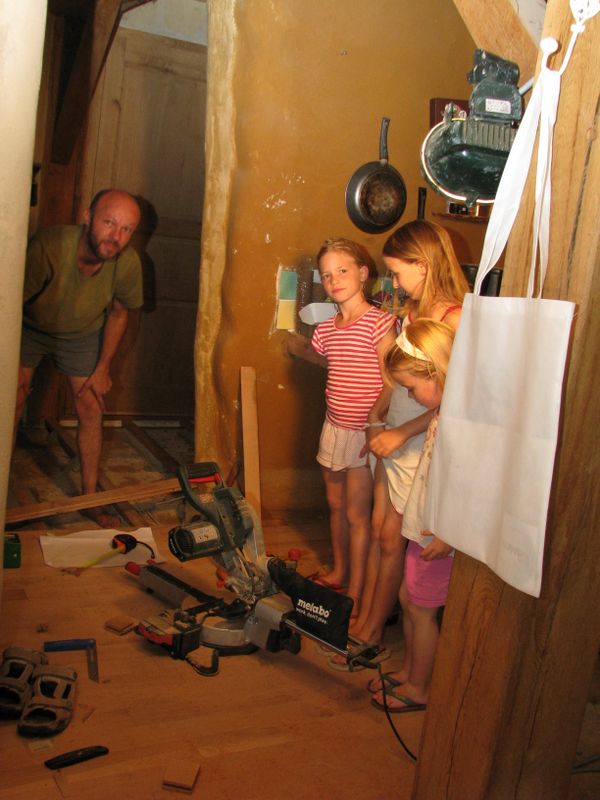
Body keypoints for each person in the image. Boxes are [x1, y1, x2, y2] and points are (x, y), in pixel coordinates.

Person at [349, 220, 468, 650]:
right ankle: (362, 615)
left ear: (424, 264)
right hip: (395, 428)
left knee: (392, 536)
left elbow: (455, 400)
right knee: (379, 528)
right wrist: (377, 414)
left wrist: (402, 433)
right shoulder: (413, 311)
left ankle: (372, 629)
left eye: (398, 273)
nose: (395, 283)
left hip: (419, 438)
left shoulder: (455, 318)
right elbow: (398, 377)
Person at [14, 189, 143, 527]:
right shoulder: (49, 246)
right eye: (109, 223)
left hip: (81, 332)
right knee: (13, 397)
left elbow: (119, 314)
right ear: (87, 217)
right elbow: (10, 301)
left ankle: (89, 499)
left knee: (91, 405)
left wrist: (102, 368)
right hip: (27, 325)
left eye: (126, 229)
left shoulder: (127, 263)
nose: (115, 237)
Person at [368, 318, 455, 712]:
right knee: (409, 597)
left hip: (437, 534)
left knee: (422, 609)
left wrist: (448, 533)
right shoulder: (442, 412)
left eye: (412, 387)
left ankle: (419, 687)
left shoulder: (459, 422)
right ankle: (409, 671)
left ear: (435, 372)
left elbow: (466, 483)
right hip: (423, 525)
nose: (409, 395)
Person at [309, 238, 396, 618]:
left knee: (357, 515)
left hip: (364, 433)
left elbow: (391, 382)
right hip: (334, 428)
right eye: (327, 275)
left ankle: (357, 589)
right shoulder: (325, 330)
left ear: (362, 273)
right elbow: (333, 368)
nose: (335, 280)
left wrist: (374, 423)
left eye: (342, 271)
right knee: (335, 505)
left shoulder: (380, 323)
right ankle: (340, 571)